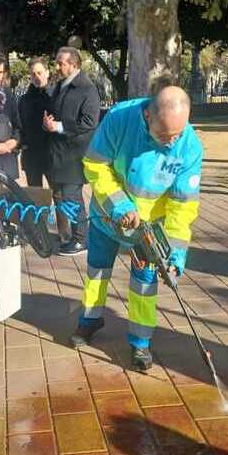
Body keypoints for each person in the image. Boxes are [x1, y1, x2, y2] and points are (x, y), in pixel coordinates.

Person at [71, 85, 203, 371]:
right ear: (147, 115)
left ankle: (141, 342)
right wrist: (121, 207)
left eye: (177, 135)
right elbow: (95, 166)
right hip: (109, 215)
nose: (171, 143)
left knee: (145, 282)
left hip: (148, 230)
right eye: (165, 135)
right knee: (97, 270)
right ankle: (90, 319)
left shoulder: (189, 146)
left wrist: (174, 255)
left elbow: (183, 205)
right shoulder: (119, 119)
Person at [42, 46, 100, 256]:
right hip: (57, 153)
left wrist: (58, 126)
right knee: (65, 197)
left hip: (74, 154)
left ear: (74, 64)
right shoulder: (60, 85)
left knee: (72, 197)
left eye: (61, 63)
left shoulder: (87, 88)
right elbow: (53, 113)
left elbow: (89, 122)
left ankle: (81, 239)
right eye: (57, 62)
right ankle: (74, 236)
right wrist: (47, 122)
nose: (57, 66)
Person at [18, 57, 53, 187]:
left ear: (47, 72)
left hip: (52, 156)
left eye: (40, 72)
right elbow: (19, 126)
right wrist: (21, 144)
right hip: (31, 157)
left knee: (59, 197)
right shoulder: (23, 100)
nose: (36, 77)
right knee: (36, 199)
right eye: (33, 74)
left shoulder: (57, 96)